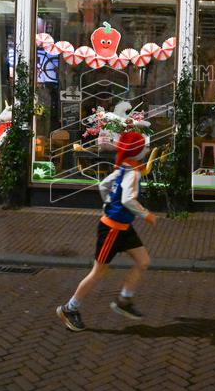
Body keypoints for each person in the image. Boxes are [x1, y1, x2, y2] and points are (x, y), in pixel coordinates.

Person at [57, 130, 157, 332]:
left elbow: (103, 185)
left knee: (143, 261)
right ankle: (70, 308)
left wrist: (108, 205)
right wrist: (145, 214)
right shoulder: (133, 172)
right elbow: (128, 199)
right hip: (112, 229)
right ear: (137, 151)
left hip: (122, 227)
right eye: (144, 146)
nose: (146, 149)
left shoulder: (125, 167)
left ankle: (124, 301)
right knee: (98, 272)